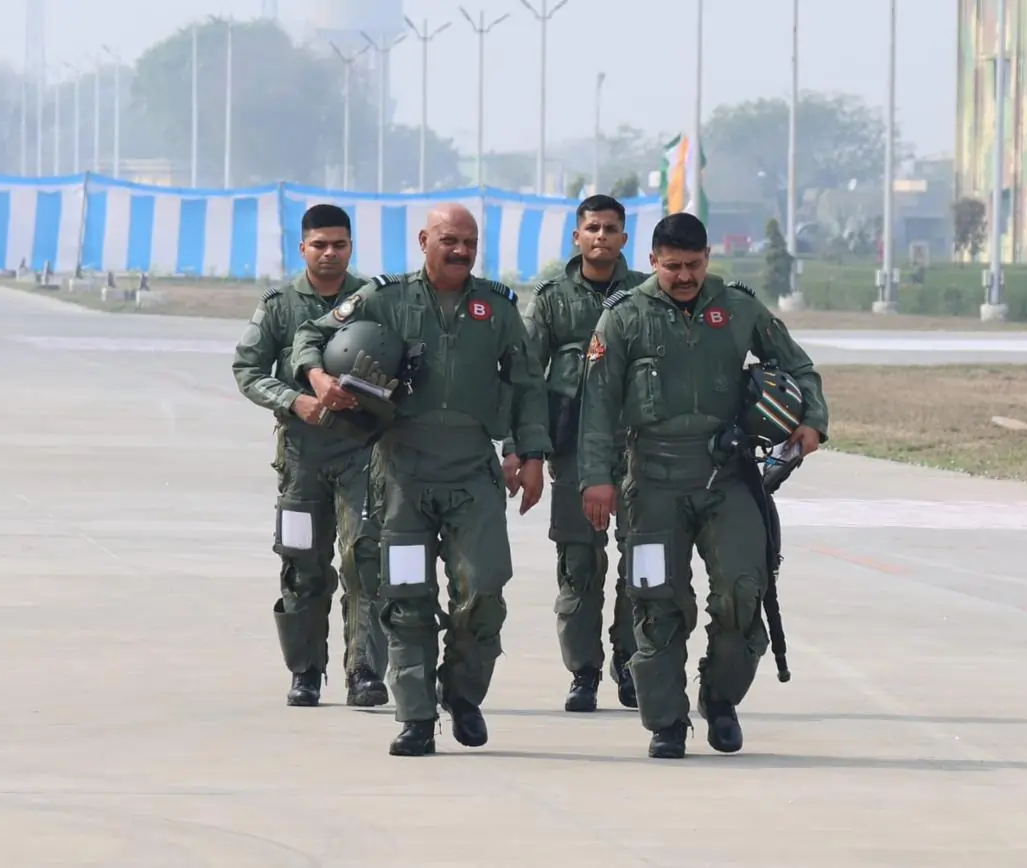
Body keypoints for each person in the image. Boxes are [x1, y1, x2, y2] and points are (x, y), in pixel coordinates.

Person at [292, 202, 552, 757]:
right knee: (406, 597)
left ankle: (462, 693)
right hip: (402, 476)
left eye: (469, 243)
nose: (459, 251)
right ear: (423, 240)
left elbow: (528, 384)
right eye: (448, 240)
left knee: (483, 589)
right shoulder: (384, 298)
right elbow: (309, 338)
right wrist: (319, 379)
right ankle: (414, 716)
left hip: (472, 473)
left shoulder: (497, 307)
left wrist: (529, 454)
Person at [576, 212, 829, 759]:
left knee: (744, 591)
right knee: (656, 602)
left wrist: (812, 419)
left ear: (708, 258)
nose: (685, 276)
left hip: (727, 478)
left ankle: (720, 700)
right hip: (650, 482)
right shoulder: (623, 317)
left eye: (694, 265)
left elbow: (798, 365)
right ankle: (666, 721)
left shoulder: (737, 306)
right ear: (652, 262)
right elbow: (595, 408)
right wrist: (596, 479)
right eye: (673, 267)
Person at [231, 203, 389, 709]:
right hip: (302, 457)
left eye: (338, 245)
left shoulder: (371, 300)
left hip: (363, 454)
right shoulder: (279, 304)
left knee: (364, 560)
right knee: (302, 564)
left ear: (350, 247)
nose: (329, 254)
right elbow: (247, 369)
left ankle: (364, 670)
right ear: (302, 248)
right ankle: (305, 670)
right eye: (319, 245)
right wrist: (293, 399)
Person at [500, 194, 649, 714]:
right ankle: (583, 671)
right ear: (577, 237)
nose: (601, 237)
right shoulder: (550, 299)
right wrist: (521, 447)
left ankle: (633, 663)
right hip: (572, 453)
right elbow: (524, 378)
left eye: (611, 229)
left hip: (637, 452)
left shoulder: (646, 295)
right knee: (578, 565)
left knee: (643, 563)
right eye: (592, 228)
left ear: (624, 239)